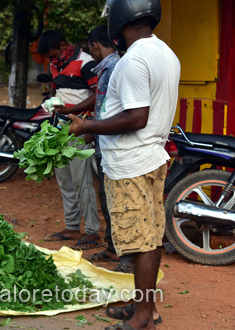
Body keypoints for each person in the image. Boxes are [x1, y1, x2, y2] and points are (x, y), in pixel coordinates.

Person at [68, 0, 180, 329]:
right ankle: (143, 306)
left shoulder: (132, 61)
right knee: (150, 237)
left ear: (120, 21)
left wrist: (87, 127)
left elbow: (135, 117)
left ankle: (144, 317)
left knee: (140, 241)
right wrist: (98, 133)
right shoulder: (166, 54)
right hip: (153, 156)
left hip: (131, 164)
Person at [37, 30, 103, 250]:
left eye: (53, 53)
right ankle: (72, 227)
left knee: (82, 182)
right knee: (65, 180)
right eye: (48, 57)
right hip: (60, 128)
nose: (51, 60)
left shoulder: (85, 62)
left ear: (64, 45)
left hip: (80, 126)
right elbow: (57, 90)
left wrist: (71, 110)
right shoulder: (54, 65)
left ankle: (92, 232)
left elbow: (98, 94)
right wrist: (51, 104)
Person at [83, 25, 135, 274]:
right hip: (105, 145)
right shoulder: (107, 67)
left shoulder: (116, 67)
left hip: (117, 147)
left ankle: (128, 256)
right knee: (107, 198)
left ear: (95, 45)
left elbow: (119, 110)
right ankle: (113, 247)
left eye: (89, 47)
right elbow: (102, 103)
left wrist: (92, 128)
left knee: (120, 202)